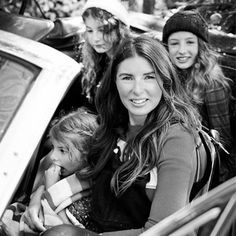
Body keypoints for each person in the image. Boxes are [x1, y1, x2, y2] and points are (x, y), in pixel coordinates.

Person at [27, 35, 213, 236]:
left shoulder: (176, 138)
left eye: (149, 77)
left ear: (165, 80)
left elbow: (163, 230)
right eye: (127, 77)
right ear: (114, 81)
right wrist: (37, 198)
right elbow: (79, 171)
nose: (137, 90)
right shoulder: (111, 125)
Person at [162, 10, 236, 183]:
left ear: (200, 46)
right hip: (170, 156)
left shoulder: (211, 83)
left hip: (200, 169)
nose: (182, 50)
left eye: (189, 42)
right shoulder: (167, 76)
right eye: (174, 43)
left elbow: (222, 141)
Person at [1, 107, 98, 236]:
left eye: (62, 150)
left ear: (87, 154)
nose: (53, 156)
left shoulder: (88, 192)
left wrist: (51, 187)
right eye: (54, 147)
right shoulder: (62, 172)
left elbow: (56, 228)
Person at [74, 0, 131, 112]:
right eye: (90, 31)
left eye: (103, 30)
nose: (95, 38)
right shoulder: (95, 60)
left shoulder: (130, 61)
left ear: (120, 30)